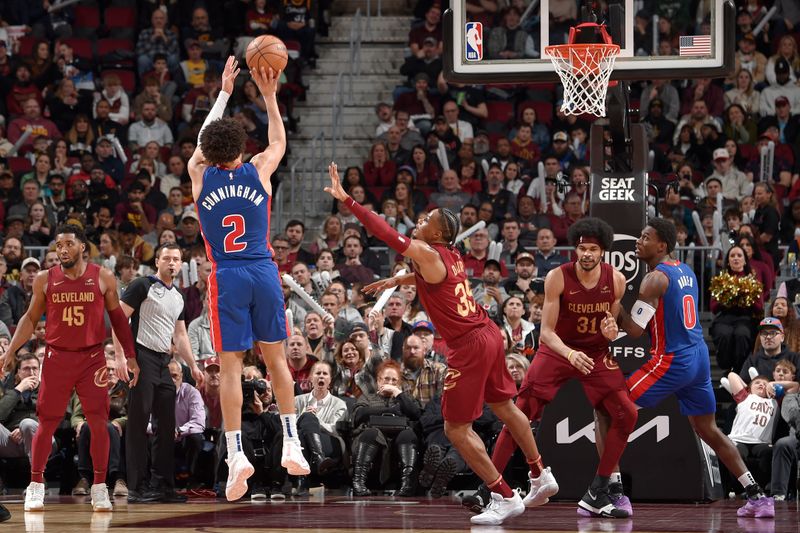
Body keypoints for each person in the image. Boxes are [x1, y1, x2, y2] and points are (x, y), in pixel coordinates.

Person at [327, 162, 550, 526]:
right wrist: (396, 279)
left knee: (455, 429)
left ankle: (503, 494)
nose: (420, 220)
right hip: (488, 332)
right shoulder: (450, 256)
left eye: (427, 218)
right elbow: (432, 278)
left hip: (469, 343)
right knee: (505, 406)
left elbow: (383, 231)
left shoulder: (428, 253)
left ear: (440, 231)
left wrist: (348, 200)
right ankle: (540, 473)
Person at [186, 57, 309, 502]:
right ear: (240, 145)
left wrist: (222, 91)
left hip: (227, 275)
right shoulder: (258, 169)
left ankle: (236, 453)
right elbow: (278, 138)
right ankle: (292, 441)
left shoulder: (199, 175)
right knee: (276, 360)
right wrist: (270, 94)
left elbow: (202, 144)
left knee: (232, 366)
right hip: (263, 270)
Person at [608, 218, 774, 519]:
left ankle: (612, 494)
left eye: (645, 237)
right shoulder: (684, 270)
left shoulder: (653, 279)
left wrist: (615, 303)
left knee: (609, 410)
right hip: (696, 356)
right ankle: (756, 496)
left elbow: (633, 331)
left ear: (662, 245)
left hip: (672, 359)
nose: (638, 241)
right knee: (707, 428)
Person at [491, 218, 636, 518]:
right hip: (558, 350)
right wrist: (570, 354)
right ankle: (490, 488)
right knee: (520, 412)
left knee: (627, 413)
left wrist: (611, 332)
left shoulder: (617, 280)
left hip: (595, 352)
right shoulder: (558, 276)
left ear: (603, 252)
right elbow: (545, 333)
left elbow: (610, 326)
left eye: (592, 249)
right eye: (581, 248)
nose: (586, 254)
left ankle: (598, 490)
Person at [1, 224, 138, 513]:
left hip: (92, 359)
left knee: (98, 422)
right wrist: (11, 350)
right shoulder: (44, 279)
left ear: (82, 247)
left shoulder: (102, 277)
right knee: (47, 422)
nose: (62, 250)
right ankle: (35, 485)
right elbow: (28, 318)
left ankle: (100, 487)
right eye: (58, 245)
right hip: (56, 357)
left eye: (68, 245)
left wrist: (129, 355)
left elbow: (118, 320)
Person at [111, 243, 204, 503]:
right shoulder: (142, 285)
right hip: (140, 356)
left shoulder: (178, 296)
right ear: (157, 262)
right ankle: (136, 487)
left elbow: (181, 334)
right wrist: (123, 357)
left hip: (165, 361)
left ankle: (162, 485)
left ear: (181, 264)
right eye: (167, 259)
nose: (172, 263)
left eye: (176, 259)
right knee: (138, 424)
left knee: (166, 424)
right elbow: (118, 319)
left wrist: (193, 366)